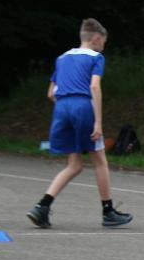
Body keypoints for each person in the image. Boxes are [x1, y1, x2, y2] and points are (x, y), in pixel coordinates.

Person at [26, 18, 133, 229]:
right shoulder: (96, 57)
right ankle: (108, 211)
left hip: (61, 108)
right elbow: (94, 87)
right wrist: (98, 122)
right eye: (104, 42)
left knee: (74, 165)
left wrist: (67, 108)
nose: (103, 46)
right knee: (100, 161)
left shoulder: (62, 58)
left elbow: (51, 93)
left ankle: (42, 207)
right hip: (82, 107)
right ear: (97, 38)